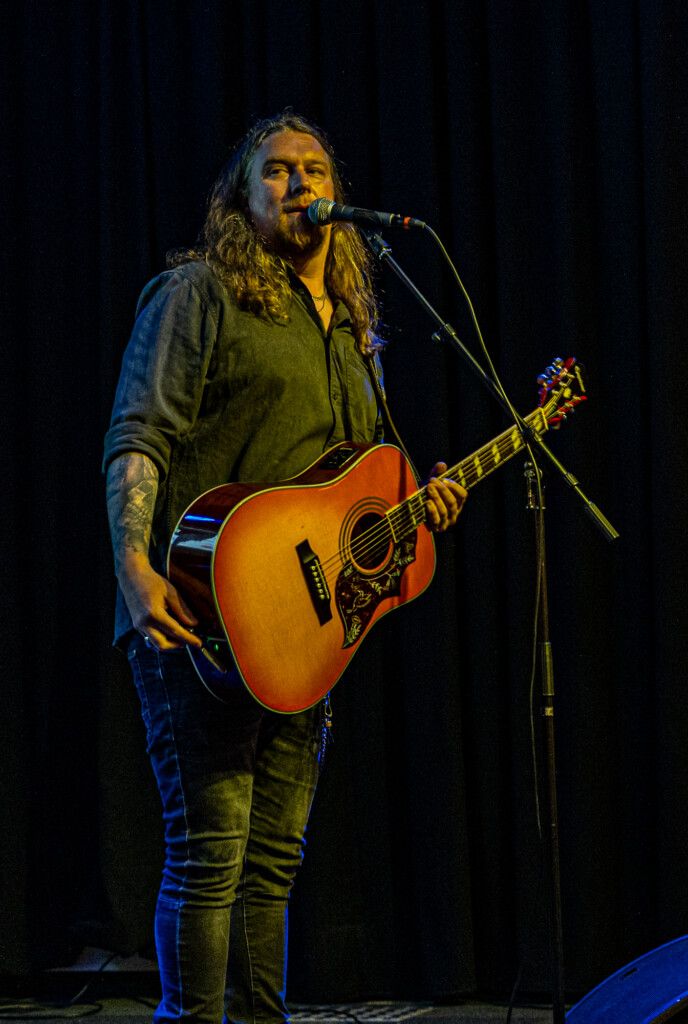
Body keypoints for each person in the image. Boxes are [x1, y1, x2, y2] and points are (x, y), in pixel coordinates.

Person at [103, 111, 467, 1024]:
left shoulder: (352, 329)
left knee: (271, 863)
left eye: (315, 168)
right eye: (276, 170)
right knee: (210, 853)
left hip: (301, 636)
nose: (300, 183)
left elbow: (349, 490)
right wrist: (133, 568)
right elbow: (138, 433)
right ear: (242, 195)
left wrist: (419, 504)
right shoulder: (198, 293)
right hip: (199, 615)